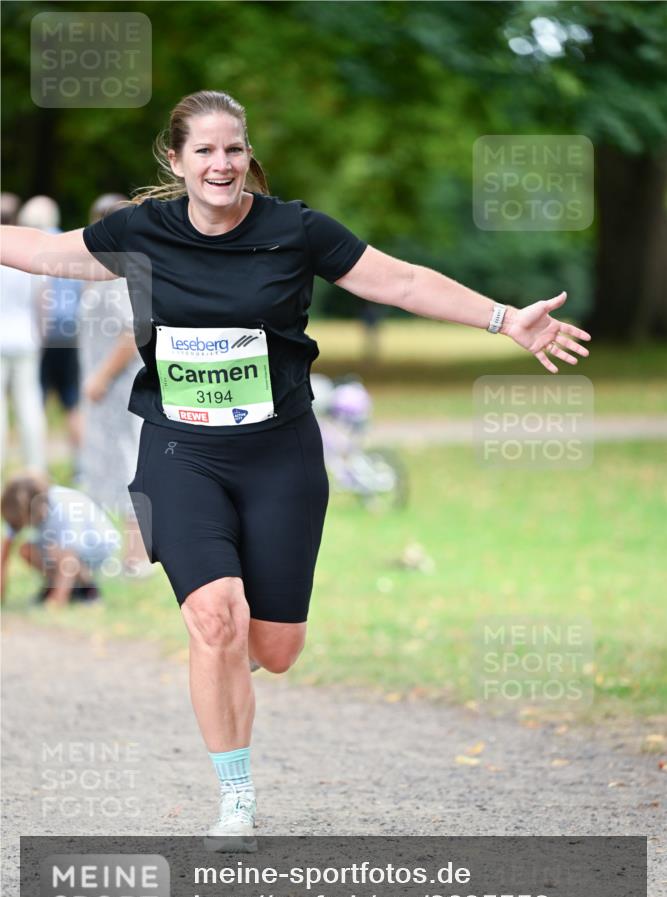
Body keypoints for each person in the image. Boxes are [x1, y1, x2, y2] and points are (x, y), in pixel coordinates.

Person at [0, 89, 591, 850]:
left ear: (248, 154)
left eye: (233, 148)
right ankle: (235, 800)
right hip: (180, 451)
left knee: (274, 649)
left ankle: (228, 659)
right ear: (175, 160)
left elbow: (402, 281)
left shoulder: (295, 230)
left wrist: (504, 319)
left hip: (280, 456)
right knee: (215, 617)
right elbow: (43, 250)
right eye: (204, 150)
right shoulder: (141, 231)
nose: (221, 164)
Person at [77, 193, 151, 578]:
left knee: (128, 463)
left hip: (119, 385)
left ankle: (137, 557)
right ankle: (109, 552)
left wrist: (101, 377)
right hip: (103, 389)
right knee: (105, 465)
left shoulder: (125, 271)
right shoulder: (106, 267)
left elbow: (131, 332)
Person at [17, 196, 83, 475]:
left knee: (36, 401)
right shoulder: (69, 244)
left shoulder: (29, 247)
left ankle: (36, 465)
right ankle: (81, 465)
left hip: (41, 334)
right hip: (71, 332)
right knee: (73, 401)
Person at [1, 471, 122, 607]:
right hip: (62, 547)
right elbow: (5, 550)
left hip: (97, 547)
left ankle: (85, 589)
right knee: (27, 549)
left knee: (56, 550)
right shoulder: (20, 507)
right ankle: (65, 588)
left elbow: (69, 557)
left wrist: (56, 601)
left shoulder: (64, 508)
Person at [0, 193, 47, 471]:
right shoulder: (27, 251)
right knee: (30, 404)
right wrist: (41, 336)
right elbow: (42, 302)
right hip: (26, 337)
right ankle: (35, 467)